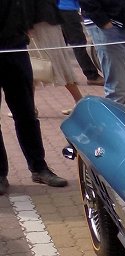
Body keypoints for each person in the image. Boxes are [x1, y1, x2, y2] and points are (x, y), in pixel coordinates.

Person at [0, 0, 69, 194]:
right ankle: (0, 174)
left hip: (16, 48)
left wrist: (25, 25)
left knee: (26, 113)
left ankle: (39, 167)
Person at [80, 0, 125, 104]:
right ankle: (116, 118)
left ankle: (123, 118)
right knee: (118, 90)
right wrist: (103, 21)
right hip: (109, 23)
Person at [28, 0, 85, 115]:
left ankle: (80, 101)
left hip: (40, 21)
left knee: (56, 61)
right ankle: (29, 107)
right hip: (44, 19)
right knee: (31, 65)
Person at [58, 0, 102, 84]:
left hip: (62, 9)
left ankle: (59, 74)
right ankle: (92, 75)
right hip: (68, 11)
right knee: (78, 44)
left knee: (62, 44)